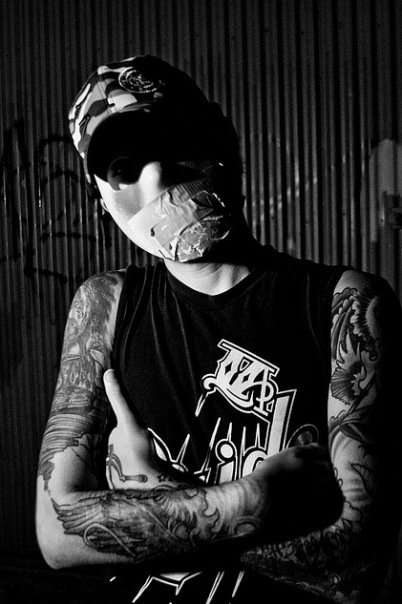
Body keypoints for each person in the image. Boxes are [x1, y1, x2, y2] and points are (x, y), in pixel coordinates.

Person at [35, 55, 402, 604]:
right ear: (102, 198)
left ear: (222, 138)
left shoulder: (347, 306)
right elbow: (57, 535)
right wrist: (251, 502)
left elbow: (353, 570)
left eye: (172, 139)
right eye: (125, 166)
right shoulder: (105, 304)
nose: (158, 176)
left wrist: (153, 498)